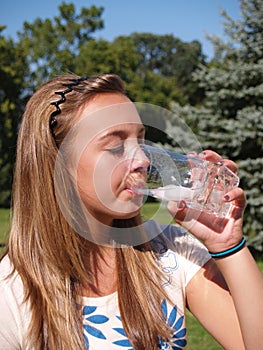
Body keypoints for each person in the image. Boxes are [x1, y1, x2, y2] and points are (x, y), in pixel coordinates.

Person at [0, 73, 262, 350]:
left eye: (141, 140)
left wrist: (228, 245)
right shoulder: (10, 293)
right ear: (55, 164)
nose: (144, 160)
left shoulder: (168, 251)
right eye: (115, 146)